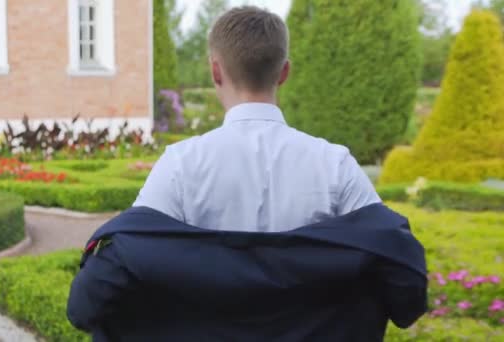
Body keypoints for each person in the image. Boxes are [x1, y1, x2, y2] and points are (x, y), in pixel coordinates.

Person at [67, 6, 427, 341]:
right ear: (284, 72)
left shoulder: (180, 163)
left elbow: (104, 285)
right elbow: (401, 286)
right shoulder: (336, 164)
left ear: (215, 70)